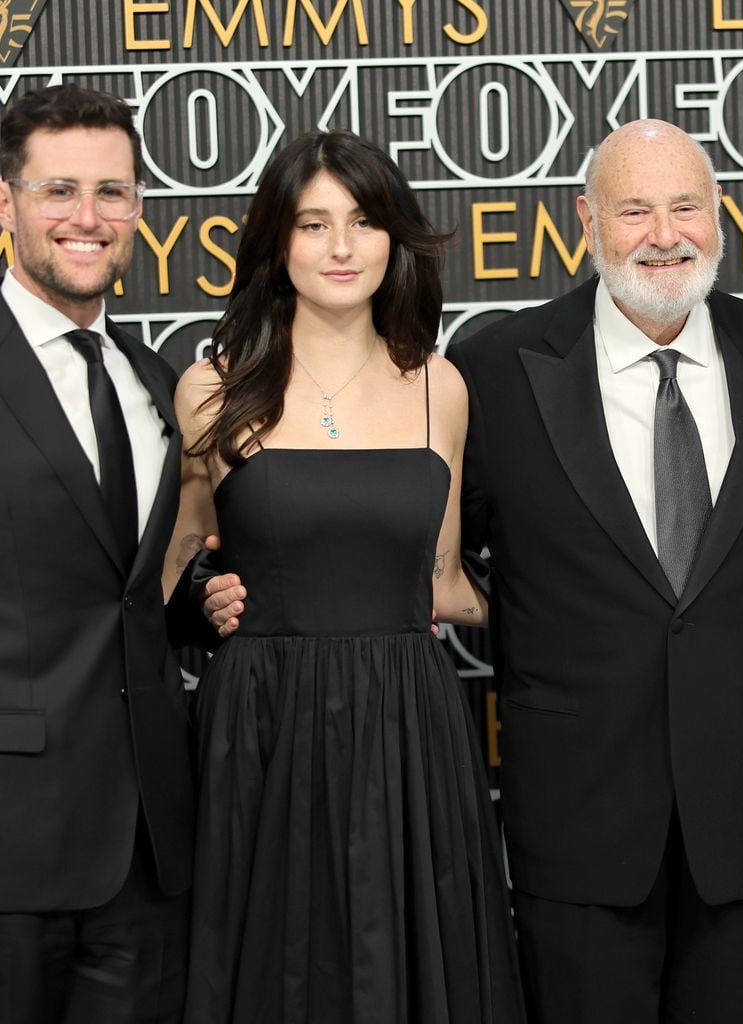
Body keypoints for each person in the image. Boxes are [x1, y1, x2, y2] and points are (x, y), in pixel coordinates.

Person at [208, 118, 743, 1022]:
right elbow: (420, 548)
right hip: (574, 821)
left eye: (686, 206)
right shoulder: (493, 371)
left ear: (720, 214)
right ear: (586, 221)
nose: (664, 235)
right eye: (635, 210)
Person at [164, 129, 525, 1024]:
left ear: (393, 238)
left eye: (363, 222)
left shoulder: (441, 385)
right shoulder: (210, 389)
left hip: (409, 723)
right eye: (313, 223)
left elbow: (444, 582)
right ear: (276, 242)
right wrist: (200, 600)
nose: (340, 247)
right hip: (262, 720)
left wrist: (585, 612)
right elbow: (173, 574)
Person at [0, 84, 193, 1022]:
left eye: (112, 192)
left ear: (138, 209)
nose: (88, 217)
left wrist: (205, 601)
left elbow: (128, 588)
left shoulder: (153, 379)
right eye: (59, 191)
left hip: (149, 849)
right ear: (7, 204)